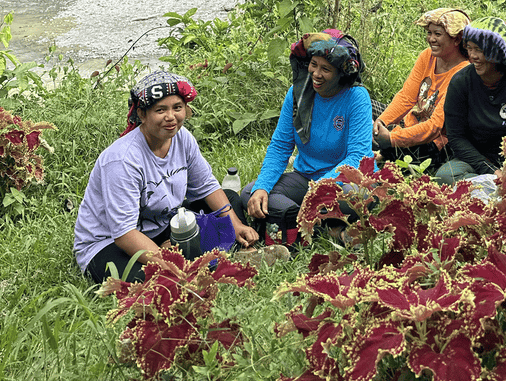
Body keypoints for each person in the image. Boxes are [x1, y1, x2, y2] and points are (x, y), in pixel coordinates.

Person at [74, 71, 258, 283]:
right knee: (157, 283)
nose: (171, 117)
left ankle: (224, 252)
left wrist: (236, 226)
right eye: (160, 110)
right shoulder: (122, 160)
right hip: (111, 243)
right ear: (142, 115)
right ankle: (198, 264)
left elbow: (207, 186)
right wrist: (172, 265)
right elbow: (124, 233)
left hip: (163, 226)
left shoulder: (182, 138)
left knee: (229, 201)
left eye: (177, 108)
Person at [244, 30, 373, 236]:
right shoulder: (297, 93)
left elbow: (357, 156)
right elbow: (280, 146)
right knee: (251, 193)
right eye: (313, 65)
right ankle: (316, 225)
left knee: (354, 198)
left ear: (342, 74)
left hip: (343, 183)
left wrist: (319, 190)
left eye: (326, 69)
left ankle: (294, 221)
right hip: (306, 178)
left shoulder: (357, 97)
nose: (316, 74)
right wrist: (262, 187)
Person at [435, 17, 506, 184]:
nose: (473, 56)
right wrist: (491, 171)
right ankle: (498, 190)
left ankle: (498, 189)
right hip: (476, 159)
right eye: (470, 49)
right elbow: (456, 137)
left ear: (497, 52)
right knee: (445, 176)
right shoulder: (460, 82)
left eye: (479, 50)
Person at [372, 7, 470, 167]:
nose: (431, 39)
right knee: (364, 107)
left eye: (437, 34)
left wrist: (392, 139)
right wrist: (382, 121)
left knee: (393, 154)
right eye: (429, 33)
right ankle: (379, 149)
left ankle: (382, 153)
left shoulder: (463, 73)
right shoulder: (427, 56)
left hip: (433, 142)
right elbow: (406, 97)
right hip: (410, 124)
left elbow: (435, 126)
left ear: (457, 39)